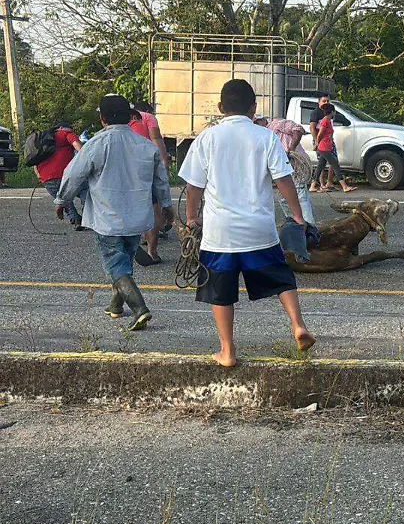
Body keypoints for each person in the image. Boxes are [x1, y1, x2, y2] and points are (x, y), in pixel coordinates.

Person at [179, 78, 315, 368]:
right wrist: (298, 215)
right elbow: (284, 180)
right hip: (259, 229)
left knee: (220, 292)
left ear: (220, 108)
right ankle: (298, 325)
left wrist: (192, 218)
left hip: (219, 233)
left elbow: (193, 187)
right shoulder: (265, 137)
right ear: (254, 109)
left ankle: (227, 351)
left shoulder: (207, 138)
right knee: (280, 277)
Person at [55, 94, 173, 331]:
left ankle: (140, 308)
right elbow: (161, 180)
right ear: (131, 117)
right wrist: (167, 206)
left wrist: (62, 200)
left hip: (107, 218)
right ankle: (115, 306)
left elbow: (73, 174)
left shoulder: (97, 144)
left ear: (102, 119)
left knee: (115, 266)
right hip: (138, 218)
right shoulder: (146, 146)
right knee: (124, 262)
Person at [254, 114, 316, 223]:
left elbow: (298, 129)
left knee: (300, 195)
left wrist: (291, 150)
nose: (256, 126)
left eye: (257, 123)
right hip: (283, 168)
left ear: (263, 120)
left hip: (294, 164)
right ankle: (295, 224)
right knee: (284, 199)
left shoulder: (277, 124)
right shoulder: (262, 135)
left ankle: (309, 228)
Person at [130, 101, 171, 263]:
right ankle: (152, 252)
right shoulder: (148, 118)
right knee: (154, 208)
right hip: (146, 167)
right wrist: (164, 165)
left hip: (126, 171)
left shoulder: (115, 124)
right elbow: (156, 138)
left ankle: (136, 238)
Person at [34, 123, 85, 230]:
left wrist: (39, 175)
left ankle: (75, 219)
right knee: (86, 192)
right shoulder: (66, 133)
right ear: (62, 128)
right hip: (66, 174)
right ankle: (89, 217)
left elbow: (35, 159)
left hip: (47, 179)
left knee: (64, 200)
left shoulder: (43, 139)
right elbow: (78, 146)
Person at [308, 96, 355, 194]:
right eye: (334, 112)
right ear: (332, 112)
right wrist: (316, 143)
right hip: (324, 147)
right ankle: (344, 186)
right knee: (335, 165)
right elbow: (320, 133)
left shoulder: (328, 120)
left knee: (320, 166)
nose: (335, 113)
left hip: (327, 146)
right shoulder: (325, 120)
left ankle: (312, 186)